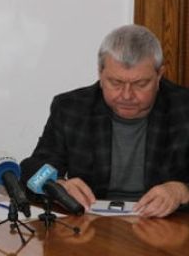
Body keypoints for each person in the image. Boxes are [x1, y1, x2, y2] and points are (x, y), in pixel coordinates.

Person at [21, 24, 189, 218]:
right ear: (100, 73)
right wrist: (57, 186)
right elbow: (32, 169)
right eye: (115, 82)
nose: (127, 95)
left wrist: (182, 191)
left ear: (159, 75)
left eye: (140, 84)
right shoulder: (72, 108)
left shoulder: (183, 108)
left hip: (167, 225)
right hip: (92, 223)